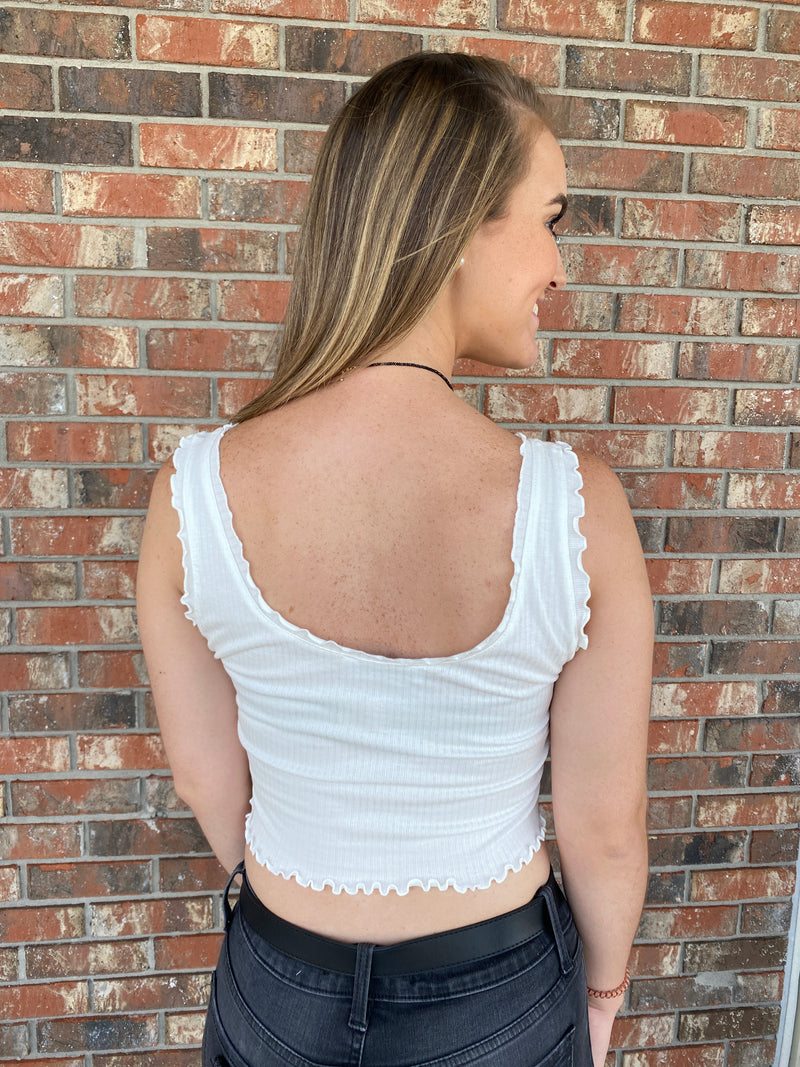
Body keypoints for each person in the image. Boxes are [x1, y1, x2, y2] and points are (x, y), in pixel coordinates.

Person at [136, 51, 653, 1067]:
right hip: (497, 996)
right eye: (549, 220)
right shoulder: (575, 508)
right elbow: (604, 826)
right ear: (459, 229)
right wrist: (599, 998)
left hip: (278, 984)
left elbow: (204, 776)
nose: (558, 268)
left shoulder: (190, 494)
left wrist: (301, 906)